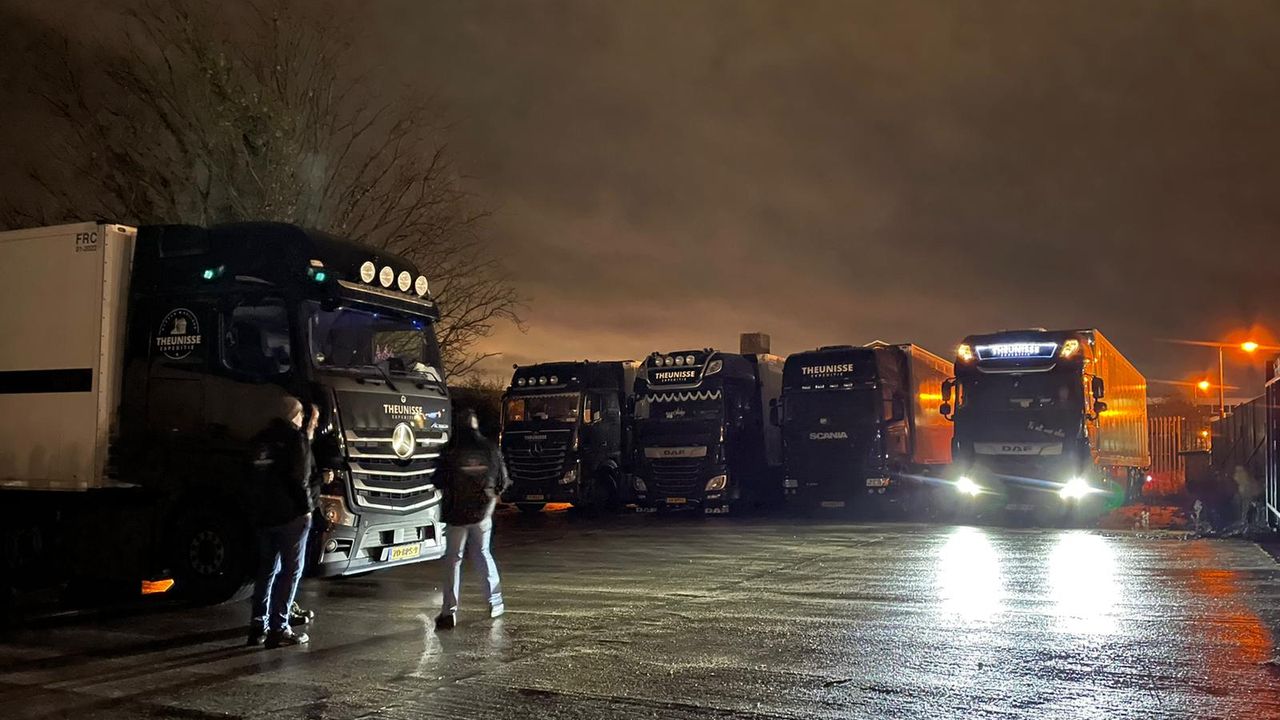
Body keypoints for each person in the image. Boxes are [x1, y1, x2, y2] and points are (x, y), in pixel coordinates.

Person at [247, 396, 320, 648]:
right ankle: (279, 627)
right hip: (290, 516)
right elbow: (300, 478)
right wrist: (307, 509)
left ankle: (258, 626)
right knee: (291, 571)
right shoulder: (295, 439)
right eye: (301, 416)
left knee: (266, 570)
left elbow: (250, 476)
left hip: (264, 515)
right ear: (294, 415)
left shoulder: (260, 439)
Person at [435, 408, 511, 630]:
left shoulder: (450, 450)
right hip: (482, 512)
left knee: (453, 559)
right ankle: (495, 602)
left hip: (456, 513)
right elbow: (503, 480)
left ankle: (449, 612)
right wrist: (489, 496)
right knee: (483, 553)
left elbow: (438, 479)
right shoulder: (490, 449)